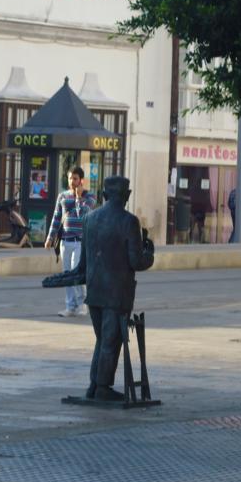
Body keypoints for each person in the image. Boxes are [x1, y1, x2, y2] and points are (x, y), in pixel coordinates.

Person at [43, 176, 154, 401]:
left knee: (102, 339)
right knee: (110, 341)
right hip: (117, 292)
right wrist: (149, 254)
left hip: (95, 292)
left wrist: (65, 277)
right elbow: (136, 262)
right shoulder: (129, 221)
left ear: (104, 196)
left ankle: (95, 385)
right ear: (127, 196)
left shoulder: (89, 219)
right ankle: (102, 387)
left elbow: (82, 264)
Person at [45, 167, 96, 317]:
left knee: (76, 271)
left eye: (75, 178)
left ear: (81, 180)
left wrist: (78, 198)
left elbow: (84, 215)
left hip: (80, 242)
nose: (72, 182)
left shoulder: (89, 197)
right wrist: (50, 237)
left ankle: (83, 304)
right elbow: (56, 217)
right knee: (67, 274)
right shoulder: (62, 196)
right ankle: (70, 306)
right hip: (65, 241)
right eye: (69, 178)